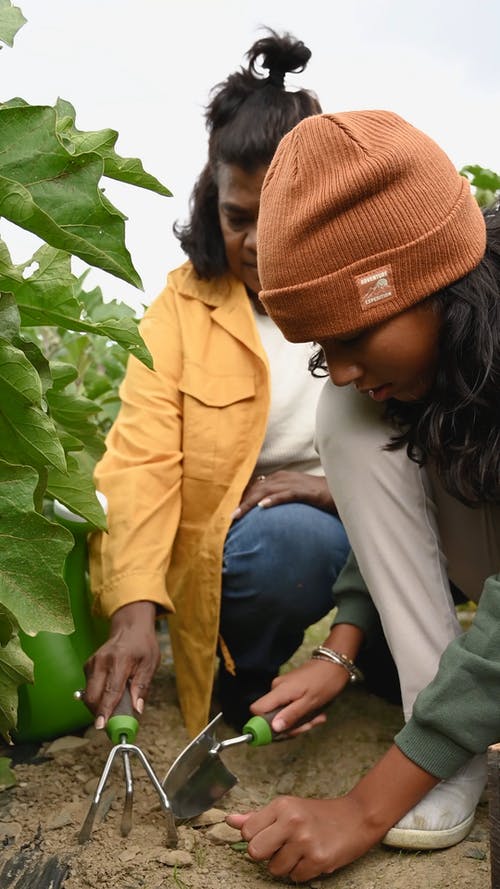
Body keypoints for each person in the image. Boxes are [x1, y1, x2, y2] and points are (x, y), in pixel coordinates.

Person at [225, 110, 500, 881]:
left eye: (353, 335)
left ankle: (435, 746)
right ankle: (445, 748)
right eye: (323, 347)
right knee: (346, 415)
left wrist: (366, 807)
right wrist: (342, 645)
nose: (339, 366)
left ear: (429, 279)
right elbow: (404, 518)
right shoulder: (417, 365)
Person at [84, 31, 352, 739]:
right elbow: (140, 462)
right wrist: (134, 611)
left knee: (313, 534)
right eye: (239, 218)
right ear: (214, 203)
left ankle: (374, 661)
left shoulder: (361, 293)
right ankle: (247, 674)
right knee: (282, 547)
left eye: (283, 215)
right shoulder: (182, 306)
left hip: (375, 527)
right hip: (260, 549)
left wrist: (327, 487)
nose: (259, 242)